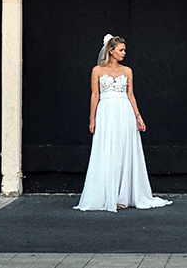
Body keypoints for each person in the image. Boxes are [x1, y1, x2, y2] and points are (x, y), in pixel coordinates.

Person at [74, 34, 172, 211]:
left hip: (124, 112)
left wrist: (138, 116)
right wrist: (92, 118)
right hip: (105, 113)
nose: (124, 53)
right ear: (111, 51)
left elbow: (131, 95)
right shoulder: (97, 70)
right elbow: (95, 95)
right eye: (121, 50)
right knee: (106, 149)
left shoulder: (127, 71)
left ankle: (122, 196)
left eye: (124, 50)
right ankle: (105, 195)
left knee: (124, 150)